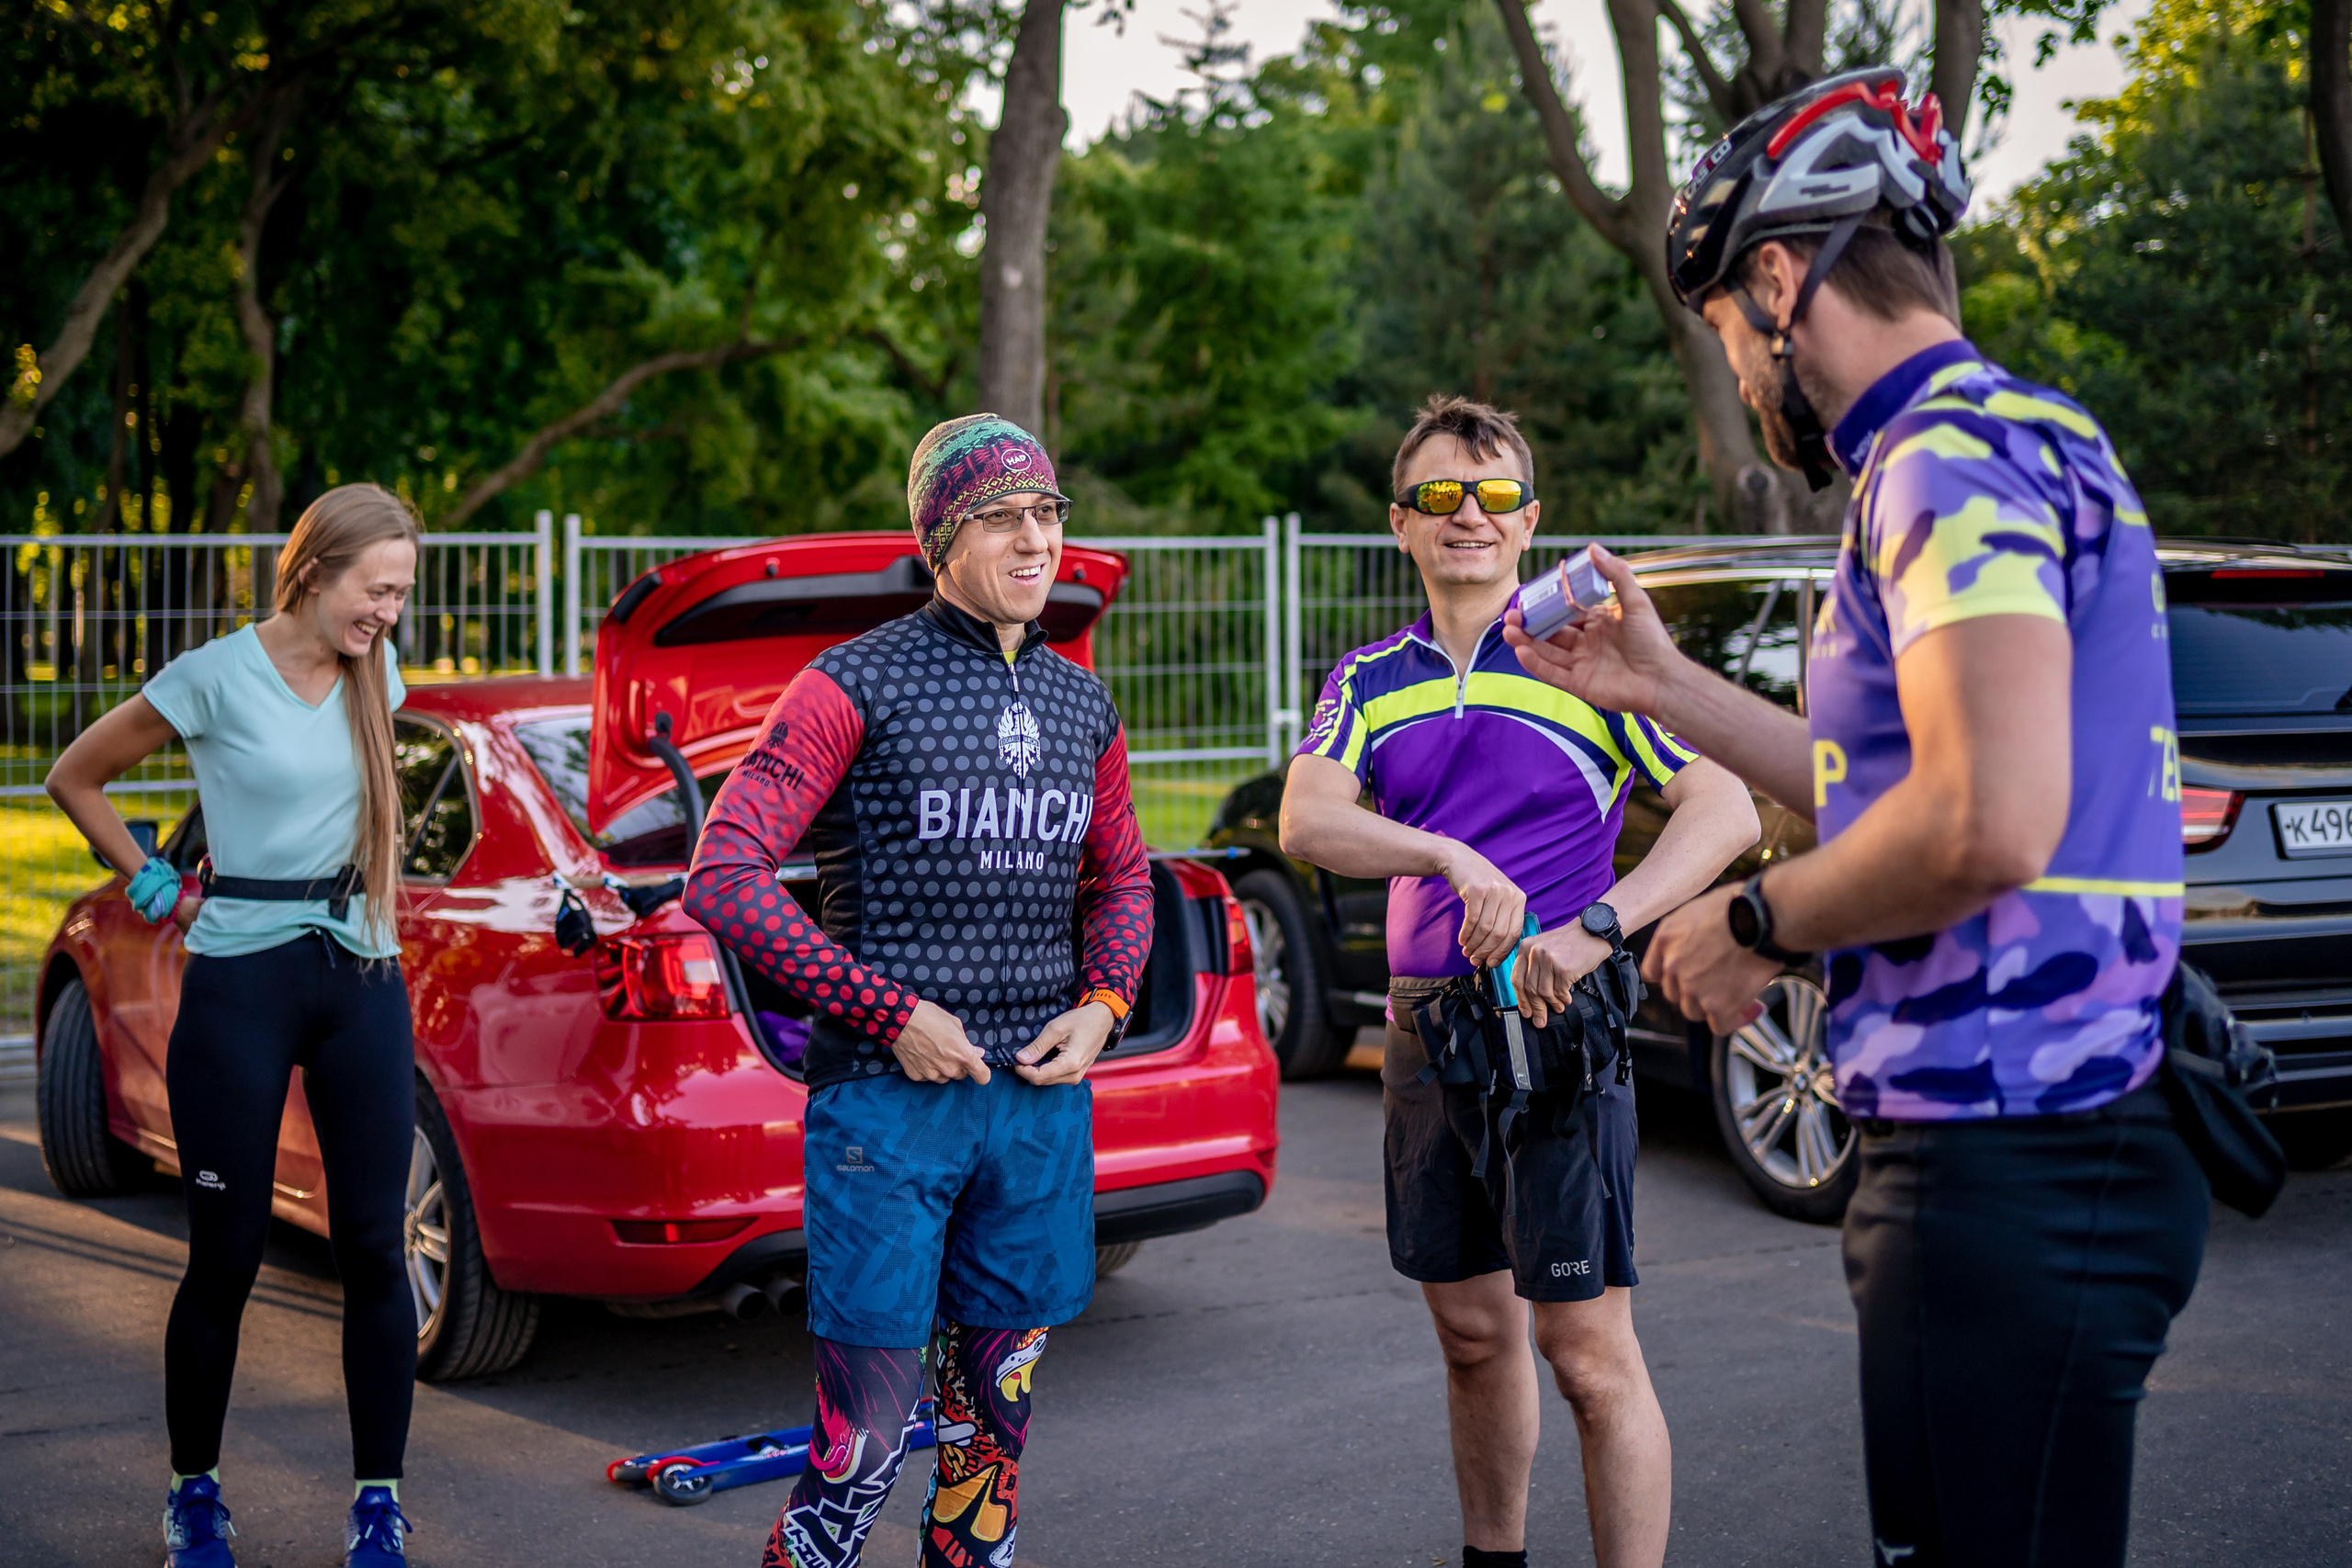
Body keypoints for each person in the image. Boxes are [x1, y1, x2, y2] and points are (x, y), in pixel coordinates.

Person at [1504, 69, 2205, 1568]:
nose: (1749, 380)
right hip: (2044, 1146)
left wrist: (1757, 920)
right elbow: (1897, 781)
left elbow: (1987, 817)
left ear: (1777, 281)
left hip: (2003, 1152)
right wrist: (1659, 680)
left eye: (1724, 339)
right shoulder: (2013, 435)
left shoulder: (1940, 463)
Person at [1280, 396, 1759, 1568]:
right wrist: (1443, 852)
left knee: (1588, 1354)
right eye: (1440, 497)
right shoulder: (1368, 679)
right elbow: (1307, 817)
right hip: (1425, 1044)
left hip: (1551, 1040)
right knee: (1470, 1337)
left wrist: (1601, 925)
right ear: (1401, 523)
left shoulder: (1581, 663)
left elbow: (1728, 807)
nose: (1469, 518)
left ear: (1528, 519)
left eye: (1494, 497)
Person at [684, 412, 1153, 1568]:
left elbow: (1124, 877)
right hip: (885, 1118)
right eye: (1003, 517)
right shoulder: (850, 684)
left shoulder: (1081, 704)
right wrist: (891, 1016)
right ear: (941, 536)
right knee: (863, 1446)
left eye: (1048, 514)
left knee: (992, 1432)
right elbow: (723, 876)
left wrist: (1103, 1006)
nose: (1035, 539)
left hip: (1036, 1112)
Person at [46, 485, 424, 1568]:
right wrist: (155, 884)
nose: (389, 612)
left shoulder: (374, 673)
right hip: (239, 986)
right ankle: (194, 1494)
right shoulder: (213, 675)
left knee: (371, 1246)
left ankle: (379, 1504)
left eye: (400, 592)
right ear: (315, 571)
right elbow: (76, 775)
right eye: (376, 588)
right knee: (227, 1252)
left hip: (360, 979)